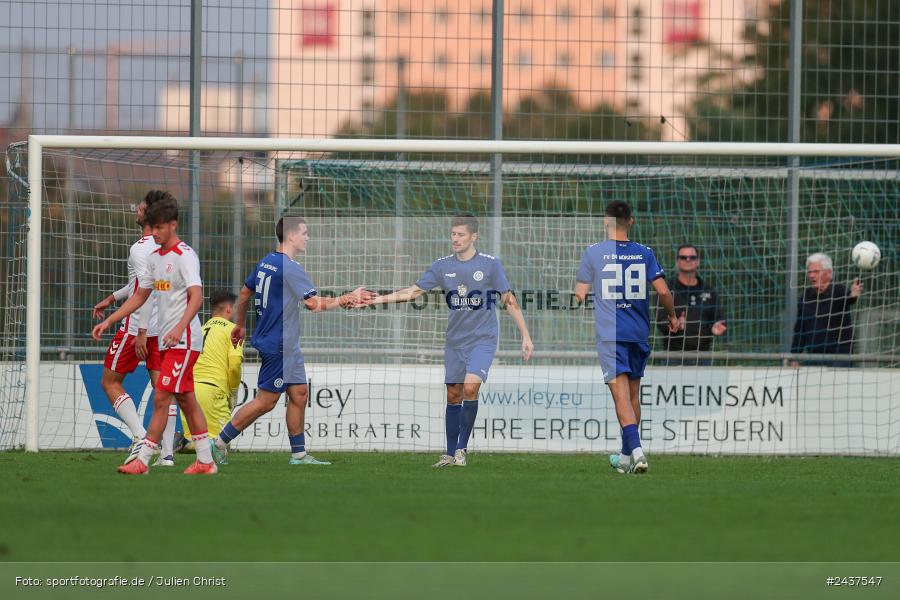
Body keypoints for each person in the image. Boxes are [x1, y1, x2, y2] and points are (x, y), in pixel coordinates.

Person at [372, 214, 534, 467]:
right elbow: (413, 292)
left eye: (461, 235)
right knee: (454, 394)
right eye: (453, 234)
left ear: (473, 237)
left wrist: (525, 335)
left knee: (470, 388)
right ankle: (449, 454)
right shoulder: (442, 266)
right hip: (455, 341)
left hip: (483, 339)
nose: (455, 239)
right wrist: (376, 299)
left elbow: (508, 299)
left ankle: (461, 450)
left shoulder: (490, 264)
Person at [211, 216, 373, 465]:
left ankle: (298, 455)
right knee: (266, 402)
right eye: (304, 233)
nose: (307, 237)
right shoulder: (290, 267)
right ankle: (219, 443)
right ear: (291, 236)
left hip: (286, 344)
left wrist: (240, 325)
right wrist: (344, 299)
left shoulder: (266, 262)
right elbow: (313, 304)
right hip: (279, 344)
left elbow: (244, 293)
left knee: (299, 393)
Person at [92, 191, 216, 475]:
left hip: (185, 340)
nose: (155, 233)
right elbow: (140, 295)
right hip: (168, 340)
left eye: (159, 227)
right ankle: (206, 461)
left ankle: (143, 459)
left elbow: (197, 296)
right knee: (186, 399)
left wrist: (179, 327)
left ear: (173, 225)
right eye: (154, 227)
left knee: (161, 397)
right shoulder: (155, 258)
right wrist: (110, 320)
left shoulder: (185, 256)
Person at [574, 201, 679, 475]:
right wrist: (672, 316)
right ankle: (624, 456)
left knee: (620, 395)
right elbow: (664, 291)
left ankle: (637, 452)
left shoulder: (593, 252)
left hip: (611, 334)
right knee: (633, 395)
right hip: (638, 332)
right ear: (631, 221)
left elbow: (580, 294)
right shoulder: (645, 253)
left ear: (605, 221)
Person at [91, 190, 176, 466]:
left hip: (136, 328)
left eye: (140, 207)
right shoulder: (165, 247)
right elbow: (141, 285)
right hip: (162, 329)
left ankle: (140, 436)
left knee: (109, 382)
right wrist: (113, 297)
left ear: (150, 214)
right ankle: (167, 455)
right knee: (163, 390)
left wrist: (140, 331)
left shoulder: (140, 248)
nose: (136, 210)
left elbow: (144, 292)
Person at [179, 290, 244, 445]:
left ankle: (182, 443)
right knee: (220, 445)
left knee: (197, 445)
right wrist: (233, 390)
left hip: (189, 392)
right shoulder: (233, 330)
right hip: (213, 391)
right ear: (229, 309)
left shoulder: (199, 330)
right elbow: (234, 365)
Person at [655, 244, 726, 365]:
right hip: (674, 357)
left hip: (703, 357)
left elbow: (719, 319)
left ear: (698, 261)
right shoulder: (667, 290)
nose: (688, 260)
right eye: (683, 257)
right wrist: (675, 323)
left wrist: (717, 327)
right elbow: (660, 322)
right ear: (677, 261)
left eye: (692, 257)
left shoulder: (709, 290)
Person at [791, 252, 862, 367]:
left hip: (839, 357)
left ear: (829, 273)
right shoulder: (805, 297)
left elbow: (849, 299)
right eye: (810, 272)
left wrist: (854, 294)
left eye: (816, 272)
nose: (811, 276)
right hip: (814, 357)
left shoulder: (839, 290)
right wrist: (794, 356)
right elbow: (800, 330)